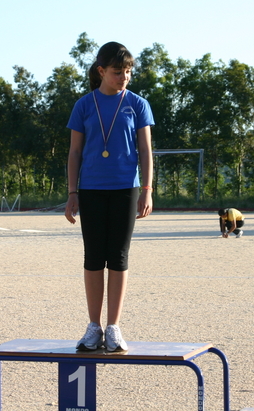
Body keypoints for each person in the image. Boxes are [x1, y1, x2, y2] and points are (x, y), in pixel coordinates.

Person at [64, 42, 154, 353]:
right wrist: (72, 192)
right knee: (93, 258)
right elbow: (75, 152)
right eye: (118, 72)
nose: (124, 77)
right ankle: (93, 327)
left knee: (118, 257)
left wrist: (147, 190)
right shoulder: (84, 105)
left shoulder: (138, 104)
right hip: (90, 189)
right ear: (101, 71)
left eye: (128, 72)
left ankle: (113, 327)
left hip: (125, 189)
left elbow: (145, 151)